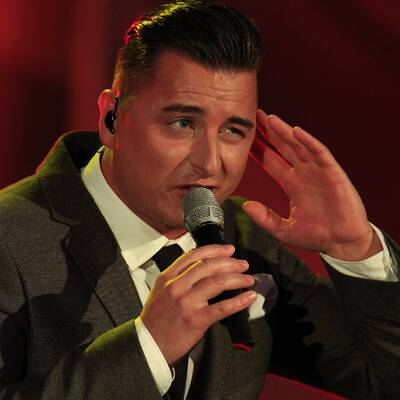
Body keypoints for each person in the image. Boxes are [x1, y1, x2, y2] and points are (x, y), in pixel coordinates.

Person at [0, 1, 399, 399]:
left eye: (232, 131)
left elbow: (384, 380)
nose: (209, 163)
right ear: (112, 118)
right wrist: (148, 349)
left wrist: (355, 248)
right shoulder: (9, 238)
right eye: (183, 123)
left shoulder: (246, 240)